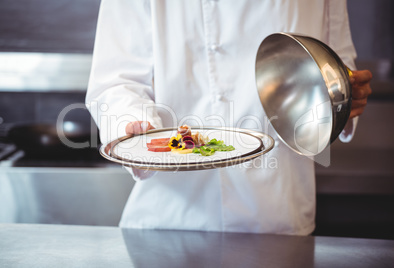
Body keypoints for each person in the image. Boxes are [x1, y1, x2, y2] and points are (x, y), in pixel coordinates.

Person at [86, 0, 372, 234]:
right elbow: (115, 81)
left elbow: (335, 64)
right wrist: (138, 126)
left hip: (277, 211)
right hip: (171, 215)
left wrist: (345, 97)